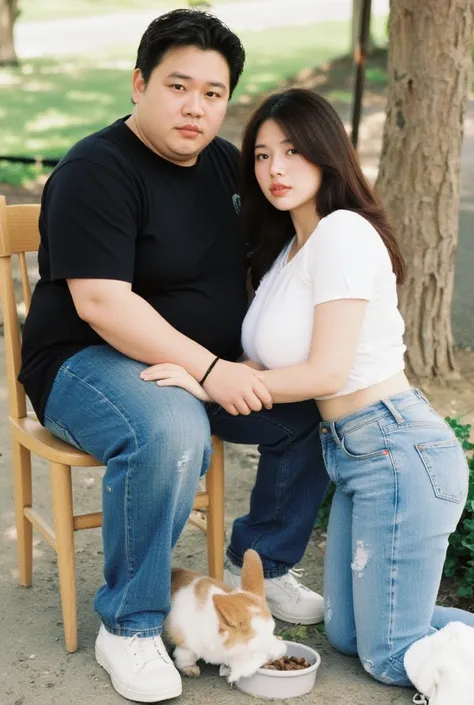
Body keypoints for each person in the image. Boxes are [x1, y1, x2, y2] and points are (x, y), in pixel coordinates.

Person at [18, 12, 329, 703]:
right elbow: (102, 304)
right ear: (140, 83)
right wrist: (210, 373)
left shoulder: (225, 164)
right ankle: (129, 624)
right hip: (85, 363)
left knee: (310, 400)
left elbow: (286, 244)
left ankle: (265, 564)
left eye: (214, 94)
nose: (196, 107)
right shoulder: (94, 170)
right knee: (170, 425)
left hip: (198, 364)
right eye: (178, 85)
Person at [145, 88, 474, 701]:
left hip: (399, 451)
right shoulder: (287, 254)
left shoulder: (344, 233)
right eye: (263, 156)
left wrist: (208, 376)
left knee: (387, 656)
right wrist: (194, 374)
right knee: (348, 636)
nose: (275, 169)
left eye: (293, 152)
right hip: (355, 457)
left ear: (328, 155)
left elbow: (325, 372)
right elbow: (257, 363)